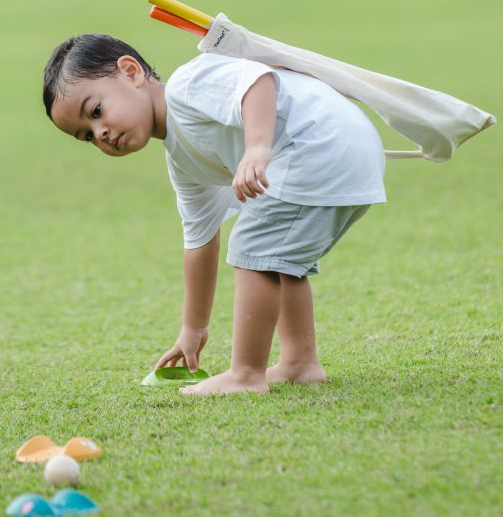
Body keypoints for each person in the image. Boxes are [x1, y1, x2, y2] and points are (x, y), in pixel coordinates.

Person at [42, 34, 386, 395]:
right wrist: (193, 330)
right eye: (87, 135)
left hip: (320, 144)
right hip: (344, 149)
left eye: (96, 112)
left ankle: (245, 375)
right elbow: (199, 242)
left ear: (130, 72)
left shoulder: (186, 86)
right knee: (279, 255)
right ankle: (299, 363)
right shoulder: (182, 160)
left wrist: (256, 147)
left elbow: (257, 83)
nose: (101, 133)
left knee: (255, 244)